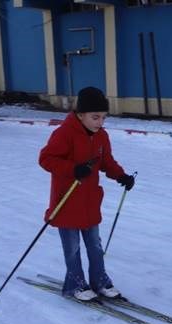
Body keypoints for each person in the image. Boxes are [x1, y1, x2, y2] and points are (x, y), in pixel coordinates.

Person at [38, 86, 136, 301]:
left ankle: (99, 280)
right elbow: (46, 159)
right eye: (95, 117)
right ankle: (75, 284)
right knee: (72, 248)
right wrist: (73, 169)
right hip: (67, 200)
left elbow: (106, 162)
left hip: (90, 201)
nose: (100, 123)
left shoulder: (101, 136)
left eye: (103, 117)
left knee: (95, 245)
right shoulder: (64, 133)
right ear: (80, 115)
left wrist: (121, 176)